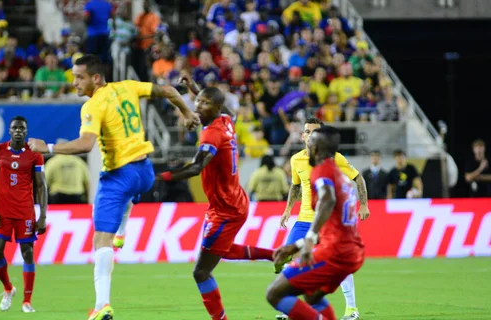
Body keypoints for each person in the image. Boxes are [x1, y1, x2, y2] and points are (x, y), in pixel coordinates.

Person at [27, 54, 200, 320]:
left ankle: (102, 305)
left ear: (96, 78)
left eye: (79, 77)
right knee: (127, 199)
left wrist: (47, 147)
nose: (74, 83)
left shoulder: (92, 106)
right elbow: (167, 90)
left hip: (119, 175)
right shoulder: (128, 85)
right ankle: (121, 231)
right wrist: (187, 113)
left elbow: (85, 145)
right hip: (145, 171)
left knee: (100, 240)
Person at [154, 76, 275, 320]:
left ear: (215, 109)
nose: (198, 106)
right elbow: (226, 109)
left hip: (226, 209)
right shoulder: (226, 120)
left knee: (201, 272)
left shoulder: (212, 135)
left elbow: (195, 168)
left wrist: (157, 177)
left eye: (204, 103)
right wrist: (194, 88)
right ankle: (276, 255)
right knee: (224, 251)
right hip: (232, 201)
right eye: (197, 102)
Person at [267, 126, 365, 320]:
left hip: (335, 252)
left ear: (319, 149)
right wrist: (297, 244)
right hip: (349, 249)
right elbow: (332, 226)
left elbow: (327, 200)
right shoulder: (339, 177)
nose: (308, 144)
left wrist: (309, 239)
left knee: (275, 293)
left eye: (312, 143)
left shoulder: (323, 171)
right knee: (311, 295)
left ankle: (350, 309)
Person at [0, 116, 48, 313]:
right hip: (2, 211)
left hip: (25, 211)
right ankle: (8, 288)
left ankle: (27, 301)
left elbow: (41, 186)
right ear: (9, 131)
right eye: (15, 128)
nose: (18, 131)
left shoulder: (34, 154)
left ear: (26, 132)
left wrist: (43, 215)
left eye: (22, 128)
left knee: (28, 253)